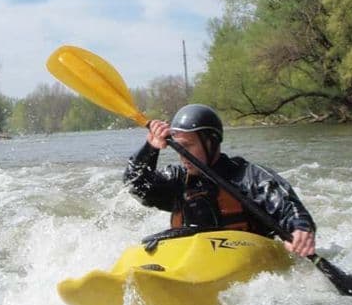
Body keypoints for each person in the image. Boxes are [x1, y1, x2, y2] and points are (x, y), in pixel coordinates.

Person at [123, 104, 316, 257]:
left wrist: (301, 228)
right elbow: (135, 185)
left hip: (245, 259)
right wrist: (150, 148)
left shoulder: (250, 176)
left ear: (211, 143)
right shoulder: (178, 180)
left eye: (188, 146)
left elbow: (289, 208)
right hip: (190, 257)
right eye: (178, 147)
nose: (182, 155)